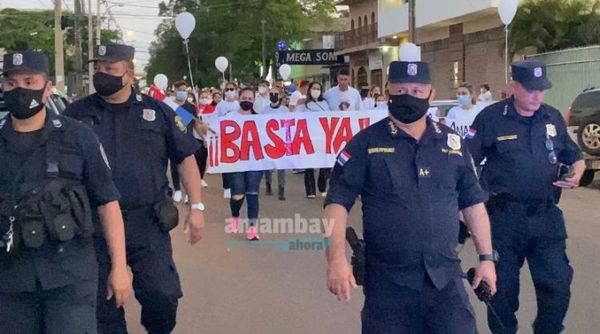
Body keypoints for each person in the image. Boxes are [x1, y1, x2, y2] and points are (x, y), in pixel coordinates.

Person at [324, 59, 496, 333]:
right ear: (388, 90)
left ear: (431, 95)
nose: (409, 97)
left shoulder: (452, 144)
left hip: (445, 280)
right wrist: (336, 259)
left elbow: (473, 203)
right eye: (401, 90)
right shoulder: (366, 144)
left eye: (417, 91)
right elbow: (336, 203)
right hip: (388, 285)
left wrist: (487, 259)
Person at [64, 44, 205, 334]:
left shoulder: (157, 112)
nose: (102, 74)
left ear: (129, 74)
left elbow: (185, 159)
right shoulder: (76, 115)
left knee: (163, 297)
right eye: (98, 68)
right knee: (102, 307)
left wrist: (197, 207)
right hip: (95, 226)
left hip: (148, 222)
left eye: (110, 69)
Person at [0, 50, 131, 333]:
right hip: (10, 281)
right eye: (11, 84)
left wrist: (119, 267)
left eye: (29, 81)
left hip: (70, 277)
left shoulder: (78, 136)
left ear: (47, 89)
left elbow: (107, 203)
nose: (20, 90)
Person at [466, 60, 585, 334]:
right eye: (531, 90)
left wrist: (576, 174)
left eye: (542, 90)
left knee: (557, 283)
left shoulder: (551, 117)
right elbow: (465, 163)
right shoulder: (491, 119)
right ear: (513, 87)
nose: (537, 96)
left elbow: (575, 157)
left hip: (546, 218)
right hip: (504, 218)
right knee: (502, 291)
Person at [225, 88, 264, 240]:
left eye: (250, 97)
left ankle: (252, 228)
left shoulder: (260, 119)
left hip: (255, 162)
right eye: (244, 97)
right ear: (238, 98)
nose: (247, 100)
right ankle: (235, 216)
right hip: (236, 162)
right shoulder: (229, 117)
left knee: (252, 194)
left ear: (254, 100)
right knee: (237, 194)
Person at [303, 82, 331, 198]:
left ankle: (322, 185)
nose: (316, 90)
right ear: (309, 90)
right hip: (309, 136)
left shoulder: (325, 104)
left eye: (318, 88)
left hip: (323, 136)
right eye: (314, 88)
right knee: (309, 164)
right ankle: (310, 190)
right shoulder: (304, 105)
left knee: (325, 163)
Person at [262, 86, 288, 200]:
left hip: (281, 142)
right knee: (268, 167)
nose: (273, 96)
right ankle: (268, 185)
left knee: (281, 167)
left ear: (280, 96)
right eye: (271, 94)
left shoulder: (285, 110)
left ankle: (281, 189)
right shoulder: (264, 110)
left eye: (276, 94)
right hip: (268, 142)